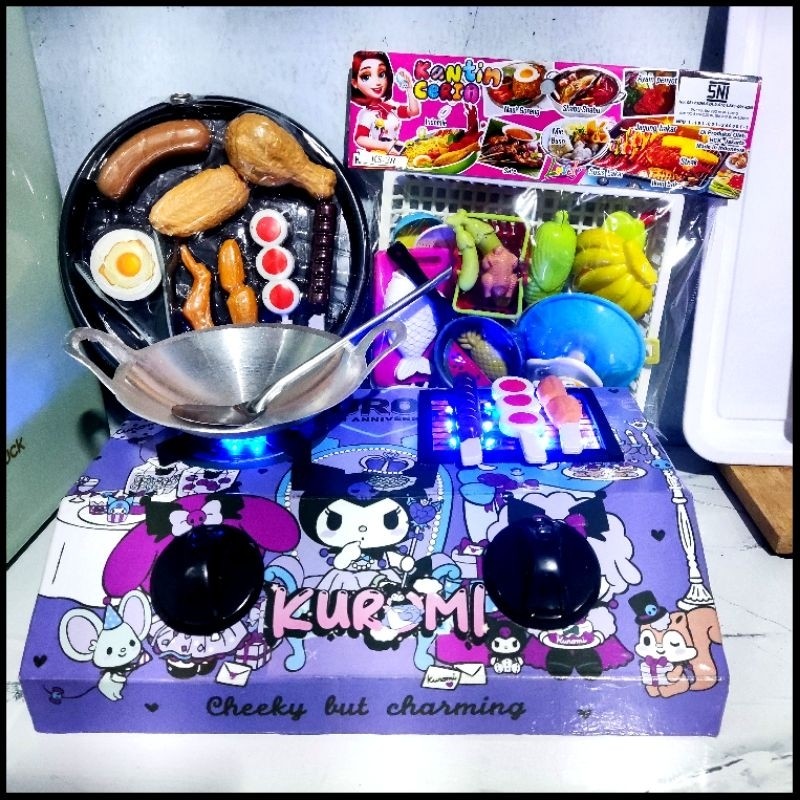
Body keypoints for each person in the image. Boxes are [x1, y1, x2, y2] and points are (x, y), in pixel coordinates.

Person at [350, 50, 420, 153]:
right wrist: (385, 146)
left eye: (381, 74)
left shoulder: (389, 106)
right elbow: (360, 138)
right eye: (366, 77)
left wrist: (409, 88)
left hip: (394, 151)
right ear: (355, 83)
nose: (377, 82)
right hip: (376, 155)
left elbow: (413, 111)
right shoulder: (366, 114)